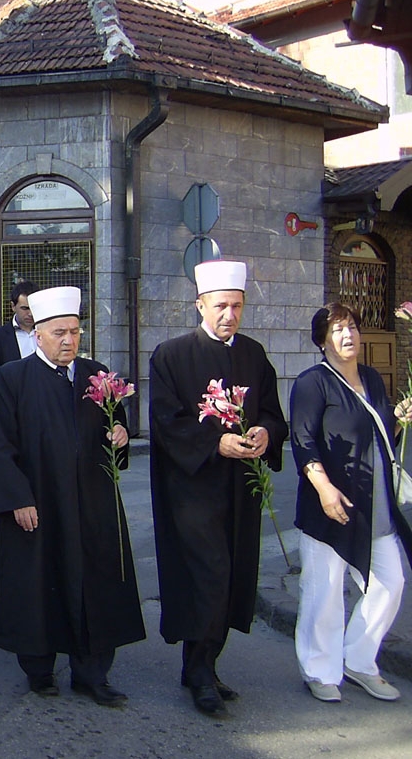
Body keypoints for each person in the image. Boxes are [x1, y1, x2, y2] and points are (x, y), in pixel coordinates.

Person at [0, 286, 145, 705]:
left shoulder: (97, 375)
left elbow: (118, 429)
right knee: (38, 582)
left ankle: (92, 672)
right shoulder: (13, 377)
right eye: (59, 332)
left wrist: (121, 435)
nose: (69, 340)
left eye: (75, 331)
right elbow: (1, 446)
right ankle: (39, 670)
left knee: (96, 583)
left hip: (91, 502)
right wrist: (18, 498)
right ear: (37, 333)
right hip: (39, 501)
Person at [149, 259, 288, 717]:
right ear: (200, 305)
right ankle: (201, 672)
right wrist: (217, 441)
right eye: (221, 305)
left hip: (241, 489)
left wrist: (266, 432)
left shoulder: (253, 354)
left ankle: (202, 665)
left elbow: (270, 410)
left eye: (237, 306)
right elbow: (167, 423)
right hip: (194, 491)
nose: (229, 314)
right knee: (207, 576)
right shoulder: (171, 355)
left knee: (231, 578)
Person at [290, 303, 412, 703]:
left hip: (374, 505)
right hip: (330, 504)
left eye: (353, 327)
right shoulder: (312, 383)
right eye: (338, 329)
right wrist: (323, 488)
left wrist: (398, 419)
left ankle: (359, 659)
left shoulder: (373, 379)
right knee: (323, 591)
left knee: (390, 583)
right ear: (322, 340)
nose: (348, 335)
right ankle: (319, 669)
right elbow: (303, 441)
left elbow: (378, 436)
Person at [0, 280, 38, 383]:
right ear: (13, 306)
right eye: (25, 308)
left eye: (33, 308)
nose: (30, 313)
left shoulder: (49, 333)